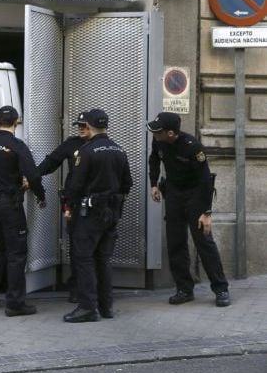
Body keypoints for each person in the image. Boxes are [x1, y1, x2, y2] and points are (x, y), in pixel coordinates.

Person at [147, 112, 230, 307]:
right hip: (174, 194)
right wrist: (154, 184)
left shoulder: (192, 147)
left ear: (170, 133)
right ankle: (184, 289)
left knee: (203, 242)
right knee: (176, 242)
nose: (154, 134)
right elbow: (154, 160)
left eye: (158, 131)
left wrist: (206, 213)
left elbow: (205, 181)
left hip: (196, 195)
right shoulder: (159, 141)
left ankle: (221, 289)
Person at [64, 109, 132, 323]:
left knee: (83, 259)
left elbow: (75, 186)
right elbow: (127, 183)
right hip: (111, 212)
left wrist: (71, 206)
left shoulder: (87, 151)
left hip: (89, 213)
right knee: (103, 260)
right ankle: (106, 306)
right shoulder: (119, 150)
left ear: (90, 126)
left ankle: (87, 307)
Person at [0, 105, 46, 317]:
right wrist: (40, 194)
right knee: (16, 254)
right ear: (16, 123)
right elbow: (33, 176)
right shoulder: (17, 146)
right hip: (9, 205)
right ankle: (15, 303)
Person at [37, 111, 90, 303]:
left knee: (95, 249)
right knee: (76, 246)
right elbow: (52, 161)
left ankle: (93, 289)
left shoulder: (101, 146)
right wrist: (34, 176)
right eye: (79, 126)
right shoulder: (72, 143)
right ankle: (77, 287)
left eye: (85, 126)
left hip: (96, 204)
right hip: (75, 203)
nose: (81, 129)